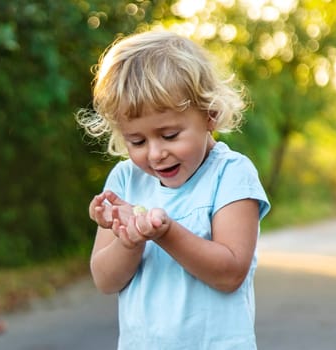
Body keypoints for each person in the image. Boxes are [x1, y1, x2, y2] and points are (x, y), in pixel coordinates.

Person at [76, 30, 271, 349]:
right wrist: (129, 241)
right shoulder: (126, 179)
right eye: (136, 141)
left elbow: (230, 273)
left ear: (210, 115)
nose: (154, 154)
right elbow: (105, 280)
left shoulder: (231, 174)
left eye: (169, 135)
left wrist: (165, 233)